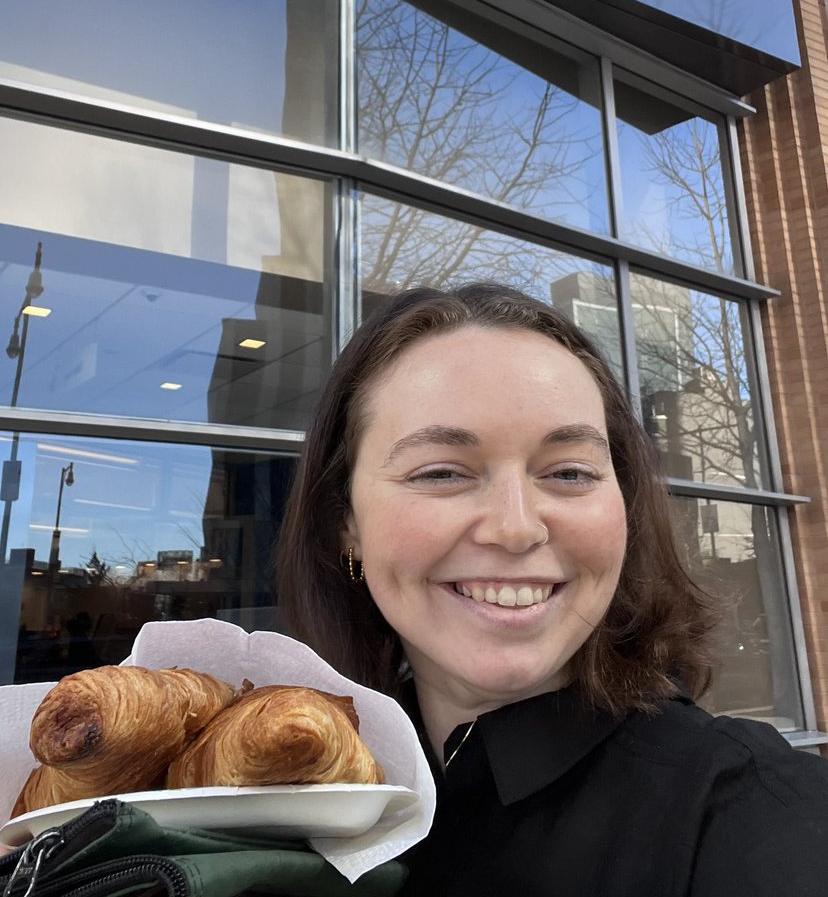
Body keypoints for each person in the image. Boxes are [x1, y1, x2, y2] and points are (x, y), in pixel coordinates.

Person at [277, 282, 828, 897]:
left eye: (569, 471)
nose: (516, 528)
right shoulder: (290, 796)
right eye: (440, 472)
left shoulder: (755, 812)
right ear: (345, 523)